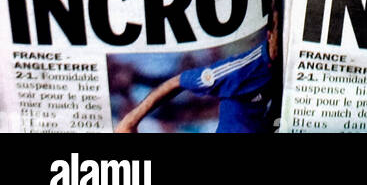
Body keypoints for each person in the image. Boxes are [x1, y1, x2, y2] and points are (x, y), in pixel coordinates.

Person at [115, 11, 279, 134]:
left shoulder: (283, 67)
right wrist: (131, 120)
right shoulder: (240, 70)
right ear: (270, 34)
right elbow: (178, 81)